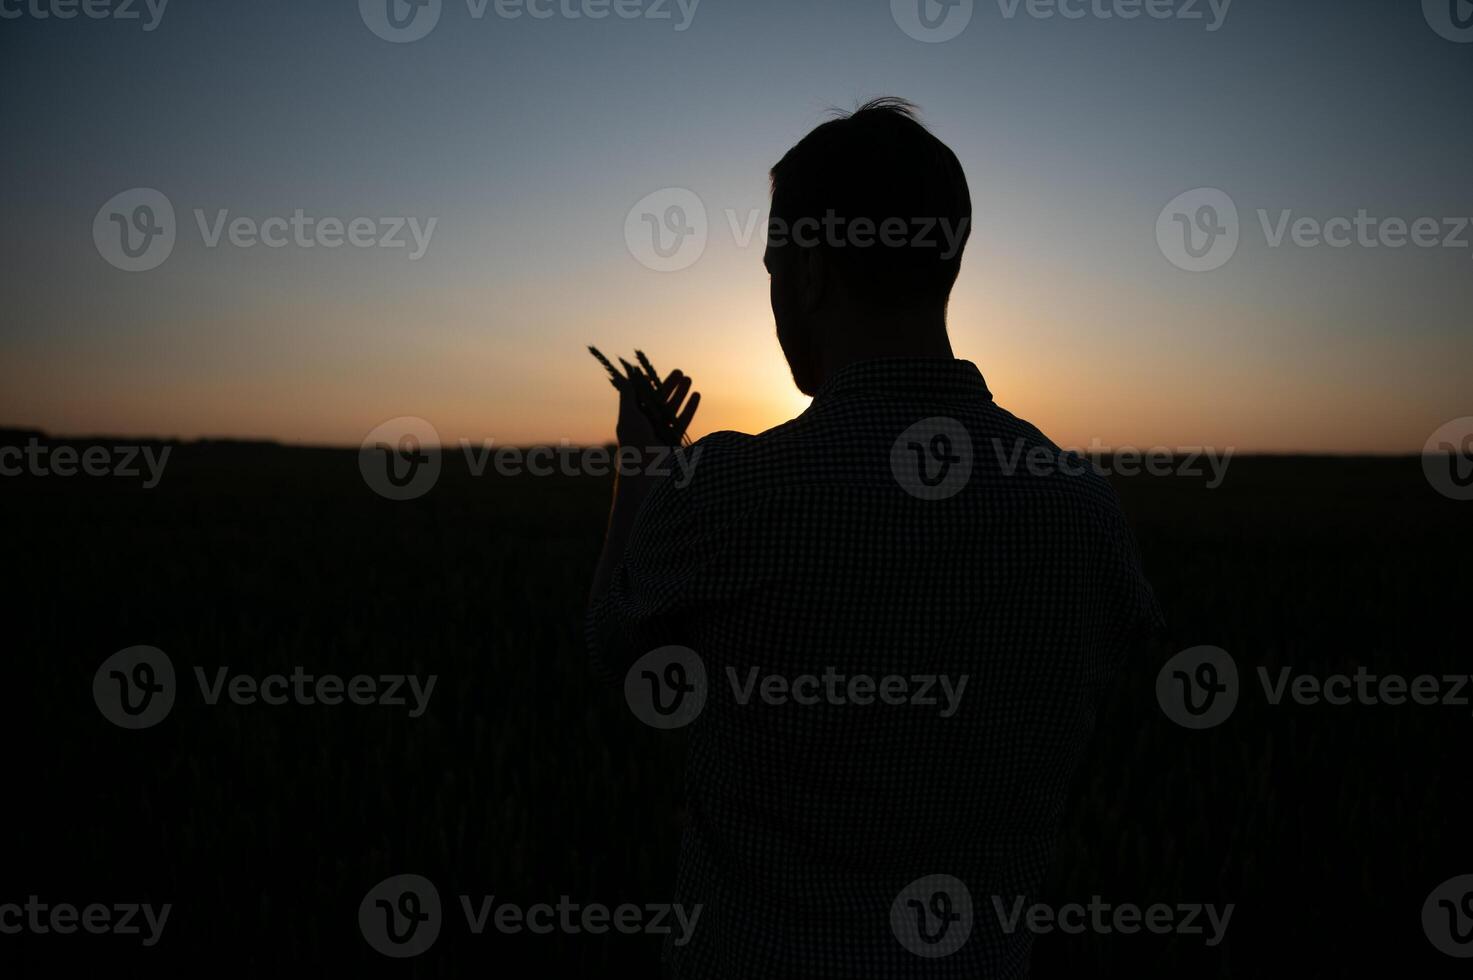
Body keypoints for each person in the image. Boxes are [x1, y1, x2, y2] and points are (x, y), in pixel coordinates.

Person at [587, 97, 1163, 978]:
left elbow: (613, 652)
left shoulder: (730, 493)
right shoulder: (1080, 505)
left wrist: (642, 471)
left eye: (773, 264)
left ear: (809, 271)